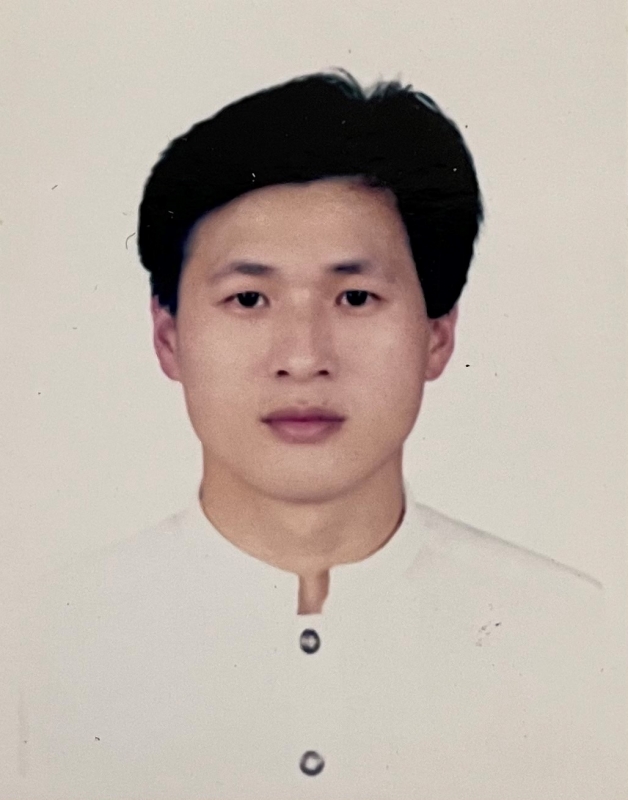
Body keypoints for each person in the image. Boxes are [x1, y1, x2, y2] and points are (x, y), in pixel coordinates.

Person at [3, 69, 611, 799]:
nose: (301, 357)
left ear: (438, 335)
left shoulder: (579, 642)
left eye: (355, 296)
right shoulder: (38, 649)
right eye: (247, 298)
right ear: (169, 337)